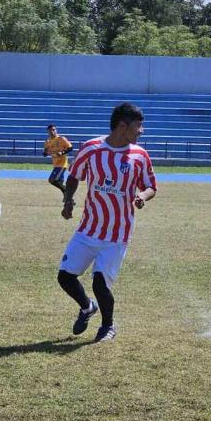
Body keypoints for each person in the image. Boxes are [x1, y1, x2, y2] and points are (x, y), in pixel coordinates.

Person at [57, 103, 157, 343]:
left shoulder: (139, 155)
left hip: (118, 233)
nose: (141, 131)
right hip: (88, 228)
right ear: (123, 126)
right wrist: (68, 200)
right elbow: (74, 177)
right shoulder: (91, 148)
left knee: (100, 281)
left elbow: (151, 185)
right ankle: (87, 307)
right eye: (138, 126)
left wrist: (142, 196)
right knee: (64, 277)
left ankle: (108, 326)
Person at [42, 124, 74, 194]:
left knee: (51, 180)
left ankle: (67, 192)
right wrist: (45, 152)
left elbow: (70, 148)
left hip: (62, 164)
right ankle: (68, 199)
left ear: (56, 130)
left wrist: (62, 153)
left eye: (53, 130)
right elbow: (45, 153)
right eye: (50, 130)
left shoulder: (61, 139)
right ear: (48, 131)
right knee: (60, 183)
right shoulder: (48, 142)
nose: (52, 131)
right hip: (55, 164)